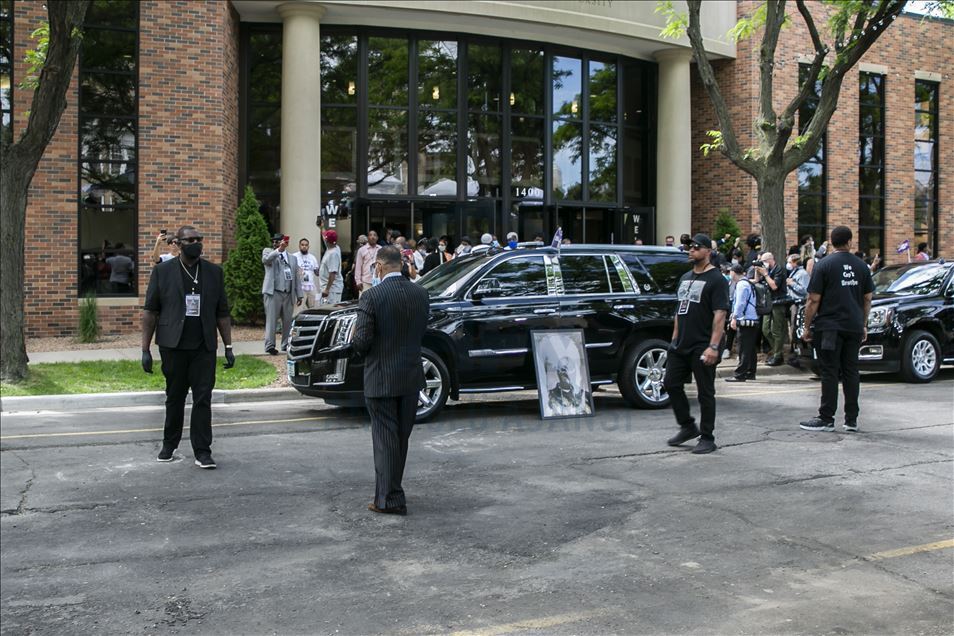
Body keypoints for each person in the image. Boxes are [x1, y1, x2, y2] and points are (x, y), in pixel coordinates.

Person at [141, 225, 234, 469]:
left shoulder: (214, 272)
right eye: (190, 240)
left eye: (199, 239)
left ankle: (202, 451)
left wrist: (229, 346)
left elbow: (222, 312)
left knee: (203, 398)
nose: (196, 243)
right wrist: (145, 349)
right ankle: (168, 444)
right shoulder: (163, 271)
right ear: (178, 244)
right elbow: (151, 311)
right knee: (175, 397)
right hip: (173, 345)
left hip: (203, 345)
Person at [352, 246, 430, 515]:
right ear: (402, 264)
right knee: (400, 439)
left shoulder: (371, 297)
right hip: (410, 376)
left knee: (385, 440)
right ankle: (390, 491)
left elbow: (361, 342)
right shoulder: (421, 294)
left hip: (381, 377)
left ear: (379, 267)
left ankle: (390, 498)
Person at [799, 226, 874, 433]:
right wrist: (863, 324)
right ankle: (851, 420)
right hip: (853, 326)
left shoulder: (824, 265)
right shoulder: (862, 266)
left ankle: (826, 417)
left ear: (831, 242)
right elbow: (867, 298)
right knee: (851, 371)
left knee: (830, 371)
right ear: (849, 242)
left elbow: (813, 299)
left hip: (830, 327)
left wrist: (806, 326)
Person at [664, 233, 730, 454]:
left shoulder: (717, 279)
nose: (691, 250)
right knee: (671, 383)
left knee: (705, 392)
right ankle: (687, 426)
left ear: (708, 251)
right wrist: (674, 338)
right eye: (689, 247)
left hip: (702, 344)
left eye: (695, 247)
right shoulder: (685, 277)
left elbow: (720, 314)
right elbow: (679, 311)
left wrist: (713, 346)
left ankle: (707, 437)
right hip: (680, 344)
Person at [261, 233, 302, 355]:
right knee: (271, 320)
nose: (275, 243)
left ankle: (286, 344)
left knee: (288, 321)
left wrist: (299, 294)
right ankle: (270, 345)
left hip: (288, 293)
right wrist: (279, 250)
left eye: (278, 241)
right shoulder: (269, 252)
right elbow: (266, 260)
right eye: (274, 241)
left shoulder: (292, 258)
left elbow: (296, 277)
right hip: (273, 292)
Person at [725, 264, 759, 382]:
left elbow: (740, 303)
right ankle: (750, 372)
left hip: (745, 319)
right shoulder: (747, 283)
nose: (730, 274)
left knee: (743, 347)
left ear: (734, 272)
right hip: (752, 319)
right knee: (750, 348)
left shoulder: (741, 285)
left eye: (730, 272)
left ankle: (740, 374)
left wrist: (734, 317)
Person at [754, 252, 788, 366]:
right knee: (765, 329)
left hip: (778, 302)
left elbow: (774, 286)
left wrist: (766, 274)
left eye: (763, 261)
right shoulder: (766, 271)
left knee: (776, 330)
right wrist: (757, 270)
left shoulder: (779, 269)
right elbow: (756, 281)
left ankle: (778, 355)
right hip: (769, 302)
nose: (763, 264)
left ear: (769, 260)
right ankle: (778, 351)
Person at [318, 230, 343, 304]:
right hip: (330, 289)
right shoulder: (335, 247)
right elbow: (325, 236)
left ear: (326, 240)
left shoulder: (333, 254)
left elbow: (332, 274)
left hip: (332, 290)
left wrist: (327, 289)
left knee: (329, 310)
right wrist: (322, 227)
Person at [294, 238, 319, 310]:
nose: (304, 246)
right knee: (298, 307)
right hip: (300, 286)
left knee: (315, 306)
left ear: (308, 246)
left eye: (306, 245)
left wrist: (320, 270)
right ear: (299, 246)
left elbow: (316, 272)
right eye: (302, 245)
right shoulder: (294, 256)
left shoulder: (312, 257)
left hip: (311, 285)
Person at [354, 230, 381, 295]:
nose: (372, 237)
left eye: (374, 235)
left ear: (377, 238)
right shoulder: (362, 250)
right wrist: (358, 281)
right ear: (367, 237)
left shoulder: (380, 249)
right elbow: (358, 266)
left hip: (378, 281)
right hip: (365, 282)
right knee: (364, 303)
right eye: (370, 235)